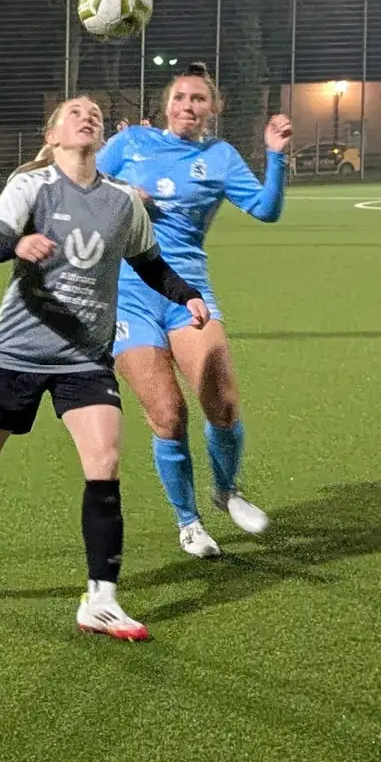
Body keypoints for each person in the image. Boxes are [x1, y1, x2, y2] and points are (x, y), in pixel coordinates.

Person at [0, 95, 210, 641]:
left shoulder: (122, 203)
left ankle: (102, 599)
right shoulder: (32, 187)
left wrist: (187, 297)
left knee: (105, 462)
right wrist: (18, 241)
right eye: (74, 112)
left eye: (94, 113)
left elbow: (151, 264)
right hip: (15, 353)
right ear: (54, 134)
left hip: (84, 360)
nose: (86, 117)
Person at [97, 61, 291, 557]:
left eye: (198, 99)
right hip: (129, 293)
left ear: (212, 109)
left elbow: (267, 209)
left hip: (188, 292)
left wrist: (275, 156)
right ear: (167, 104)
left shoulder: (221, 157)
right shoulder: (130, 145)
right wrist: (120, 192)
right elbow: (82, 185)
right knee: (167, 413)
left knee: (221, 402)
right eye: (180, 97)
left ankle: (226, 492)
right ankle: (189, 522)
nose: (188, 106)